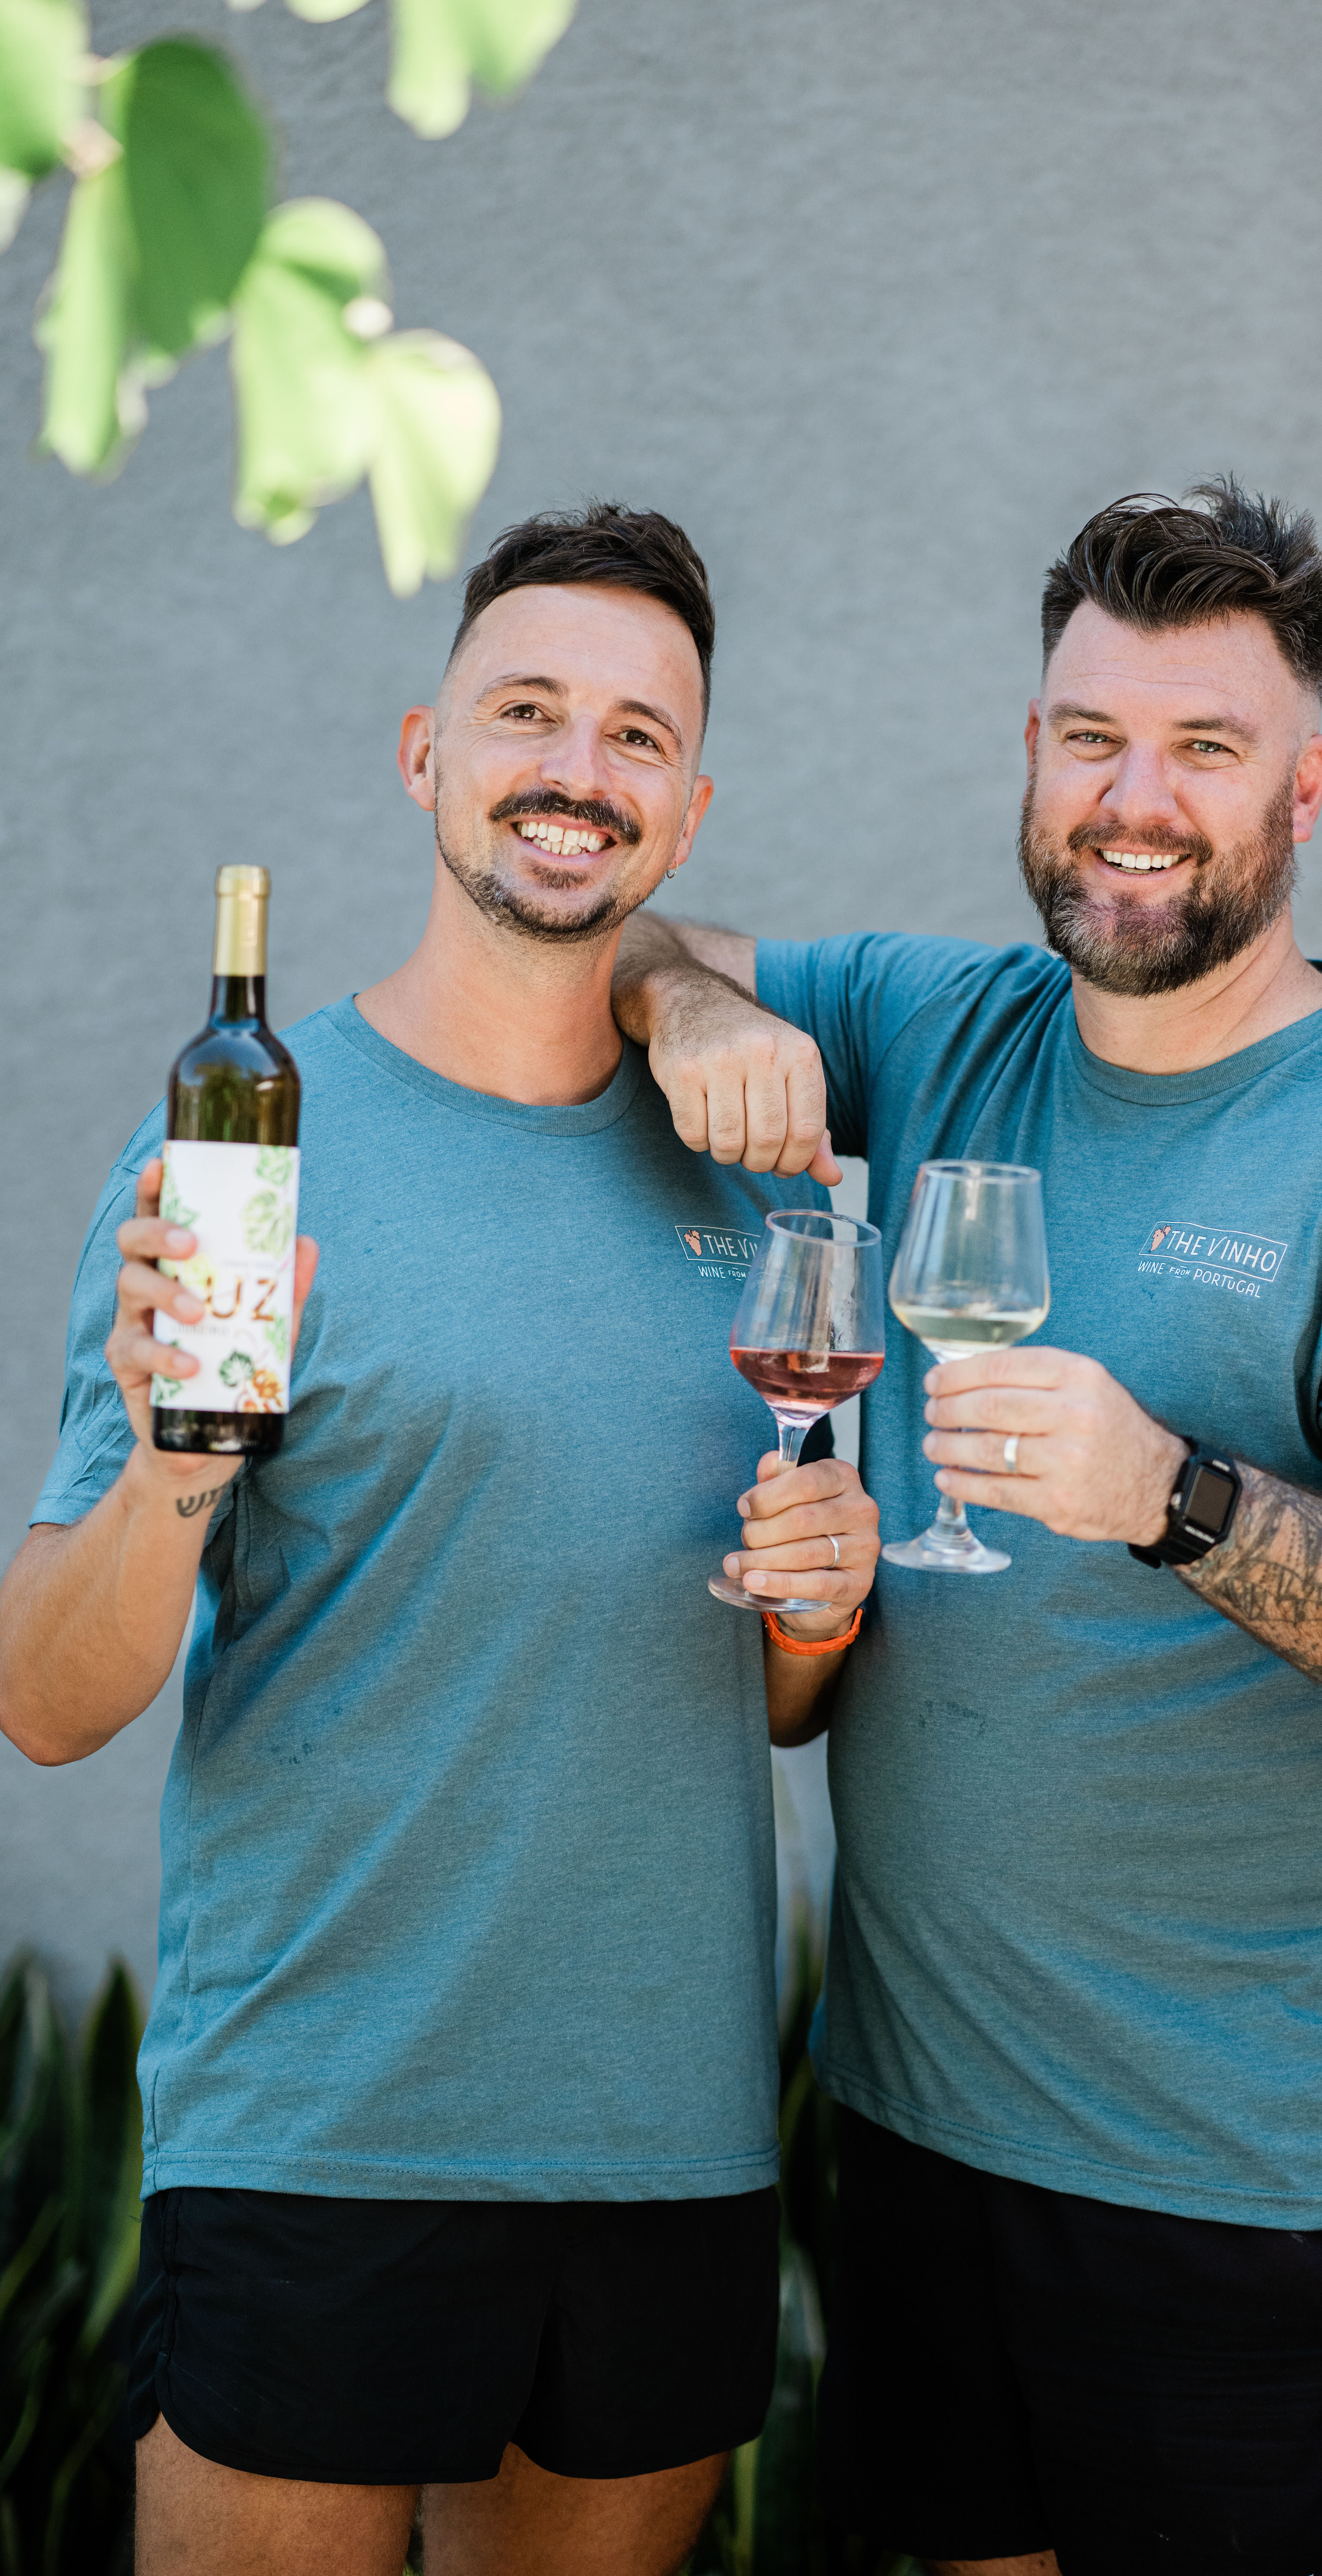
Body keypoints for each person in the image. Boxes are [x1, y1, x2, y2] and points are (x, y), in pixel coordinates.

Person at [611, 481, 1322, 2576]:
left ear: (1302, 787)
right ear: (1034, 755)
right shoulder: (939, 1026)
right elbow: (638, 931)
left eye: (1204, 751)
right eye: (1090, 738)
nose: (1135, 802)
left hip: (1244, 2186)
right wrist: (694, 1011)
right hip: (923, 2133)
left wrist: (1181, 1499)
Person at [0, 504, 883, 2576]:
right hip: (321, 2124)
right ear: (426, 752)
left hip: (664, 2139)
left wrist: (823, 1607)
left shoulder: (763, 1200)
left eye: (638, 735)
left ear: (689, 807)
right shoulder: (233, 1155)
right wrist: (172, 1464)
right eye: (528, 711)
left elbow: (775, 1699)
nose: (580, 768)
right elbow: (44, 1703)